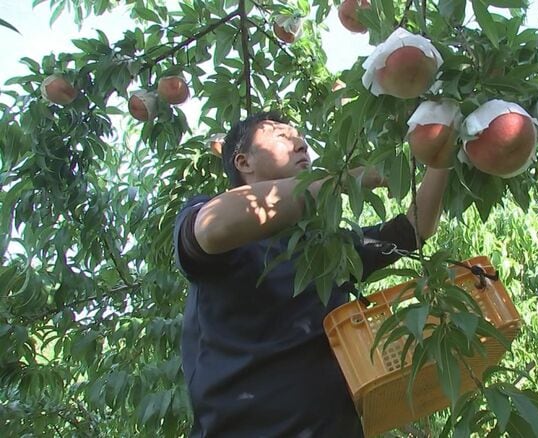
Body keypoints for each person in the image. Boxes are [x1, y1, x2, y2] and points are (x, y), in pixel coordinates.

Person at [173, 112, 450, 437]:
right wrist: (343, 180)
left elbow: (415, 229)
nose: (300, 143)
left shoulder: (326, 248)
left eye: (300, 137)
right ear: (243, 162)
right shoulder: (215, 222)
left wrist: (443, 153)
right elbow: (213, 227)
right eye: (281, 135)